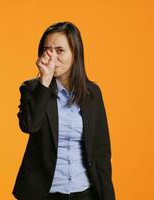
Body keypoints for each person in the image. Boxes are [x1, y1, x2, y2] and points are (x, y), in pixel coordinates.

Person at [12, 21, 116, 200]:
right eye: (47, 50)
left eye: (60, 50)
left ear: (75, 53)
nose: (52, 56)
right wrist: (45, 81)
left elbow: (101, 152)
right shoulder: (32, 89)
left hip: (85, 192)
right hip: (45, 194)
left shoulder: (93, 94)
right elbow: (29, 125)